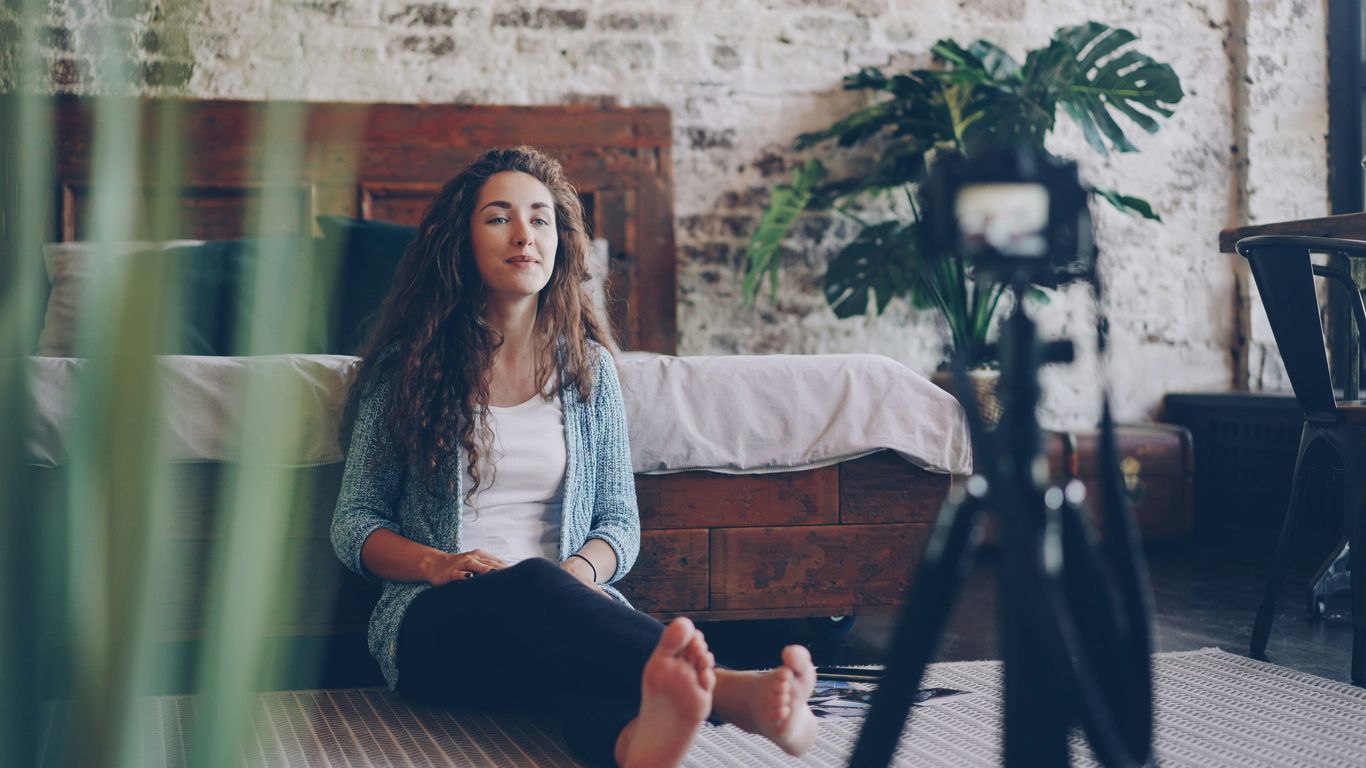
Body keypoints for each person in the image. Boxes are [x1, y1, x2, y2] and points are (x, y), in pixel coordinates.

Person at [331, 146, 818, 767]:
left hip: (563, 609)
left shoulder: (589, 374)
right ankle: (729, 691)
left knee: (574, 654)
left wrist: (578, 577)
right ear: (462, 240)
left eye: (540, 218)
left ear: (560, 240)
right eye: (498, 217)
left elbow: (618, 524)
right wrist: (435, 564)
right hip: (434, 622)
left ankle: (635, 748)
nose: (523, 234)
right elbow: (354, 524)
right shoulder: (408, 371)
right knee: (535, 589)